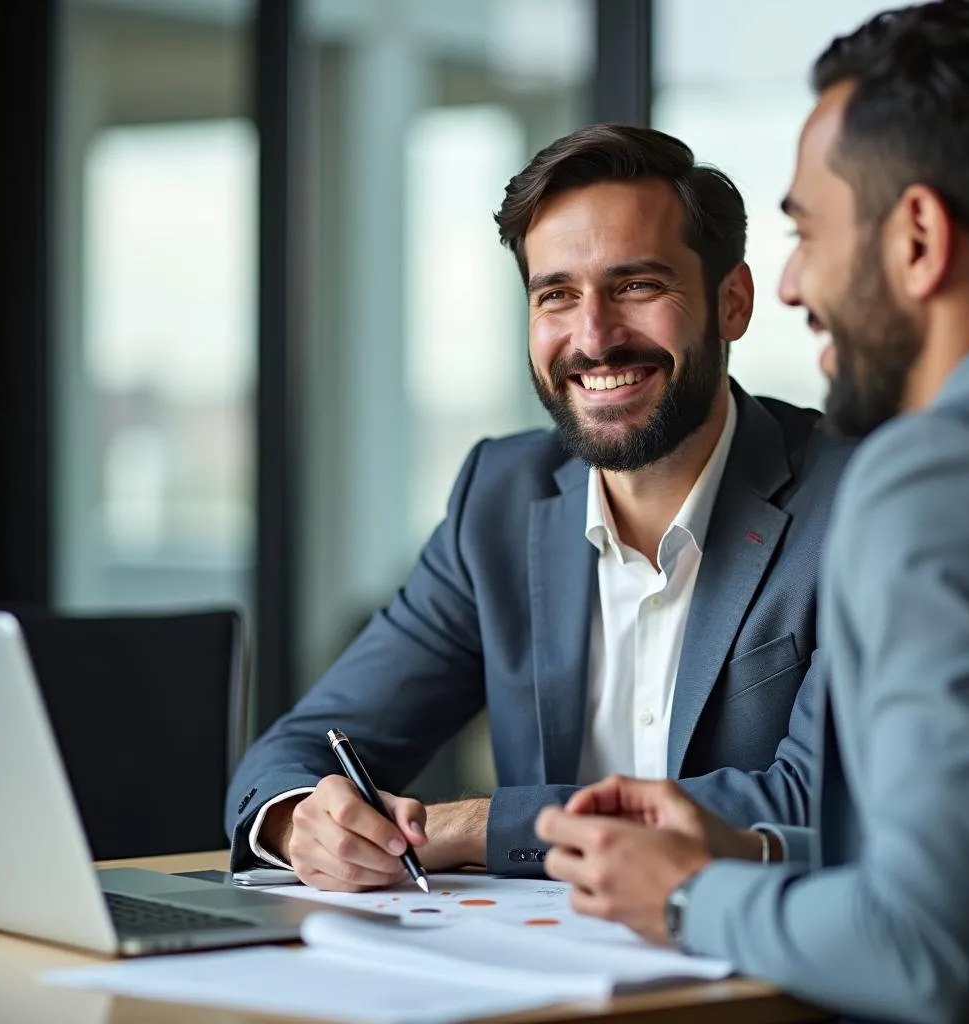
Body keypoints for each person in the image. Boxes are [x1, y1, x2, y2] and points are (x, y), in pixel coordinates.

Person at [536, 3, 969, 1021]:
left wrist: (684, 894)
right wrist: (746, 847)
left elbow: (930, 948)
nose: (796, 283)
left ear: (919, 238)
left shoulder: (933, 473)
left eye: (807, 232)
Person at [226, 125, 854, 890]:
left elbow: (817, 799)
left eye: (636, 287)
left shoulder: (855, 499)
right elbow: (300, 749)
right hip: (533, 975)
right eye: (556, 295)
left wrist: (480, 827)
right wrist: (303, 819)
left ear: (732, 302)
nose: (593, 338)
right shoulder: (500, 496)